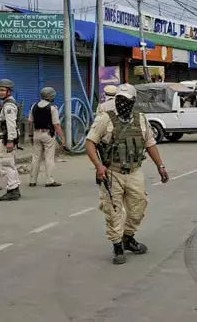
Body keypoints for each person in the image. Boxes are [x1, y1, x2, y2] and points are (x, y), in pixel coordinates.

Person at [85, 84, 169, 265]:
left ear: (133, 102)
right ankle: (117, 246)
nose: (122, 104)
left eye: (126, 101)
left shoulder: (141, 120)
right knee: (113, 210)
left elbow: (150, 144)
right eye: (119, 100)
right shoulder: (104, 119)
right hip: (112, 172)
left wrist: (160, 166)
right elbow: (90, 143)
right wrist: (99, 166)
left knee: (139, 207)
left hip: (134, 171)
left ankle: (128, 237)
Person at [27, 87, 65, 188]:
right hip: (48, 134)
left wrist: (30, 134)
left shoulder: (33, 106)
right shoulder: (52, 108)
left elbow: (30, 122)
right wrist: (62, 137)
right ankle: (49, 180)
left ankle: (32, 180)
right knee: (49, 158)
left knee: (36, 158)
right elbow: (56, 124)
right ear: (51, 96)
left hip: (36, 134)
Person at [0, 79, 23, 202]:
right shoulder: (7, 103)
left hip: (7, 138)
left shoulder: (9, 105)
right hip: (7, 137)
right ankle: (15, 188)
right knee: (10, 164)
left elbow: (11, 124)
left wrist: (10, 140)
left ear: (9, 91)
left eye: (2, 90)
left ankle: (12, 190)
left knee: (6, 164)